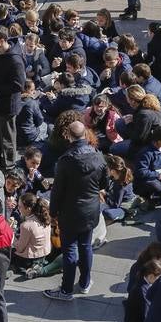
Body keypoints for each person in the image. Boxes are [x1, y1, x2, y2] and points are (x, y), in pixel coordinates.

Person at [43, 121, 107, 301]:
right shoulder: (97, 155)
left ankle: (66, 290)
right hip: (91, 209)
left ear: (68, 136)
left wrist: (53, 211)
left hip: (70, 212)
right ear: (85, 134)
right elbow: (104, 183)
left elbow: (57, 191)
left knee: (70, 249)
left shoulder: (66, 160)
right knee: (86, 246)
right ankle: (85, 282)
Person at [0, 25, 26, 171]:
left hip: (7, 106)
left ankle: (9, 167)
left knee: (7, 140)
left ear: (1, 41)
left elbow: (18, 86)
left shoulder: (14, 60)